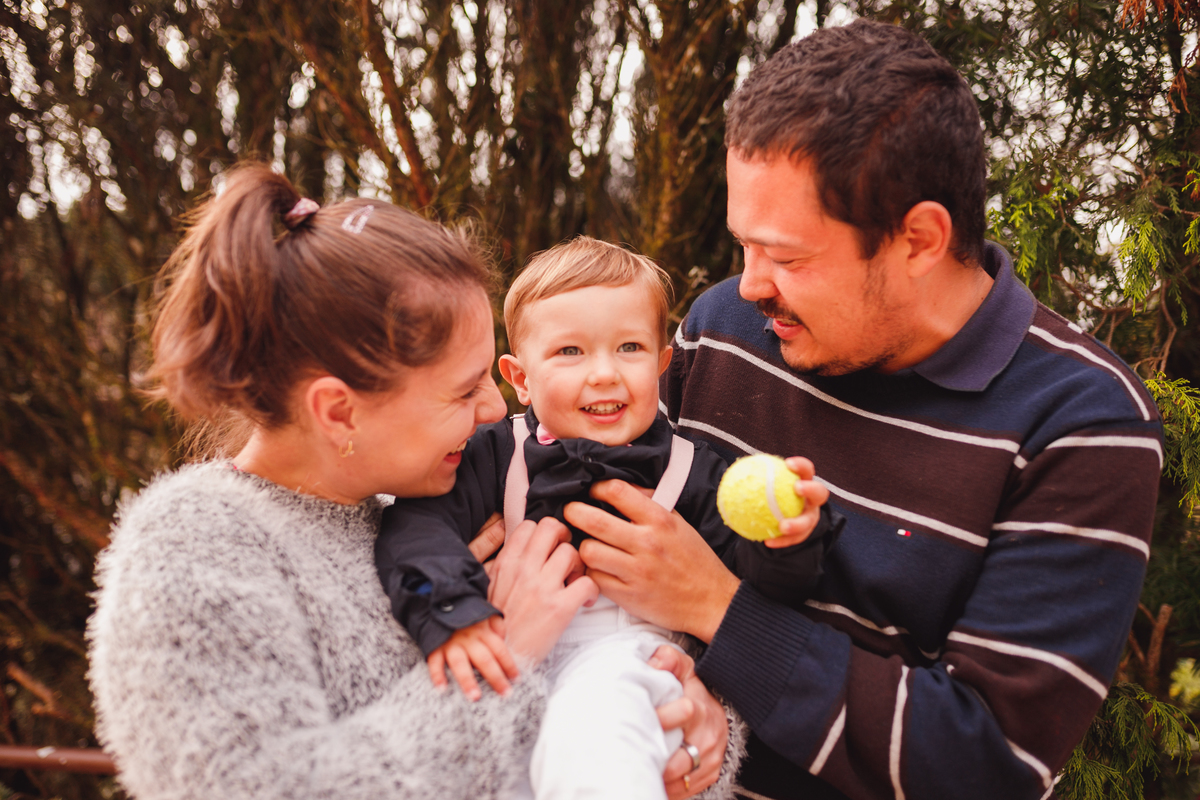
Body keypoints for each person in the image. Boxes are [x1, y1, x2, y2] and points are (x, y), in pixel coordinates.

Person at [563, 20, 1164, 800]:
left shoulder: (1082, 423)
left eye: (787, 257)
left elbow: (985, 764)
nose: (749, 284)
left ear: (918, 238)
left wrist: (718, 608)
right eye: (743, 245)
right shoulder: (725, 331)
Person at [86, 166, 728, 800]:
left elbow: (599, 709)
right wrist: (511, 657)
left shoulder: (432, 507)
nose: (491, 411)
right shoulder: (193, 551)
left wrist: (695, 734)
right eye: (464, 388)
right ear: (339, 412)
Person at [375, 237, 840, 800]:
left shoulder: (692, 471)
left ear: (663, 364)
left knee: (600, 719)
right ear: (520, 378)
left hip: (631, 667)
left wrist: (788, 544)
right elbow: (418, 528)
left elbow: (759, 583)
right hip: (513, 658)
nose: (603, 374)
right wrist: (453, 610)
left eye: (629, 347)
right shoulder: (498, 454)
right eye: (570, 352)